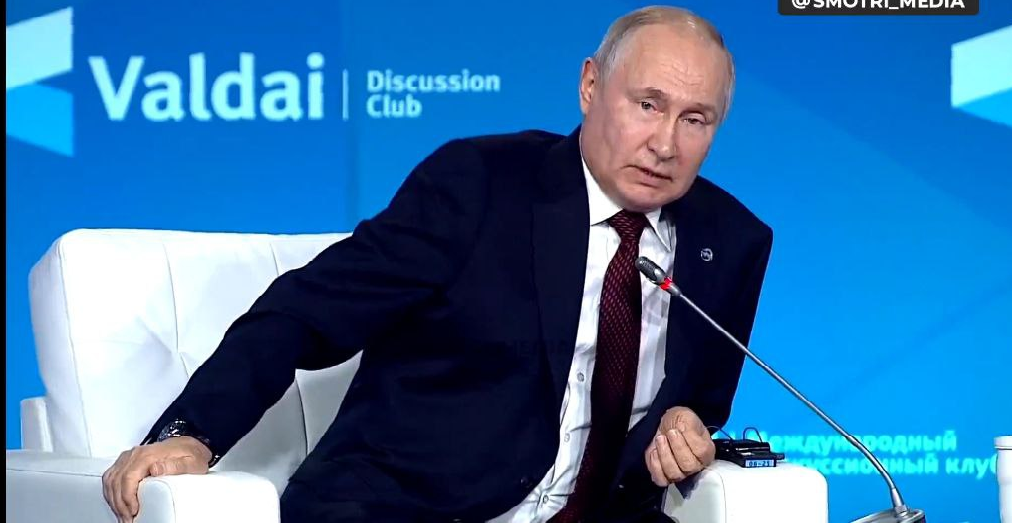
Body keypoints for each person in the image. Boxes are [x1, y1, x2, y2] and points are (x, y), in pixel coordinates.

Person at [101, 5, 772, 523]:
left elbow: (699, 403)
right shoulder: (480, 184)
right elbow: (305, 313)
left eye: (696, 119)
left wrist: (685, 427)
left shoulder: (732, 241)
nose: (665, 144)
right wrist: (193, 433)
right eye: (648, 105)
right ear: (591, 86)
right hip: (406, 511)